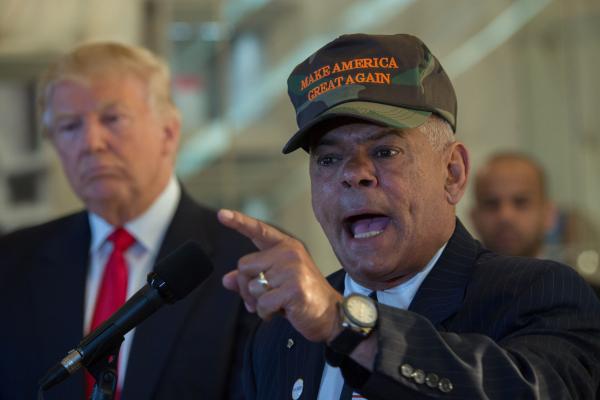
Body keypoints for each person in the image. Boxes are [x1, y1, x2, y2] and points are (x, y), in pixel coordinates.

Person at [217, 33, 600, 399]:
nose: (354, 174)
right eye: (330, 159)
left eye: (385, 152)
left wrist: (345, 324)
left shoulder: (538, 294)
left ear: (453, 173)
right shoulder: (282, 335)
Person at [0, 42, 257, 400]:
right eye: (70, 126)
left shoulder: (246, 259)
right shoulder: (12, 263)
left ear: (169, 131)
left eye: (112, 119)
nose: (91, 143)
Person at [470, 152, 554, 258]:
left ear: (549, 214)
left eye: (521, 202)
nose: (505, 216)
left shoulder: (566, 275)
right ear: (474, 218)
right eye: (491, 204)